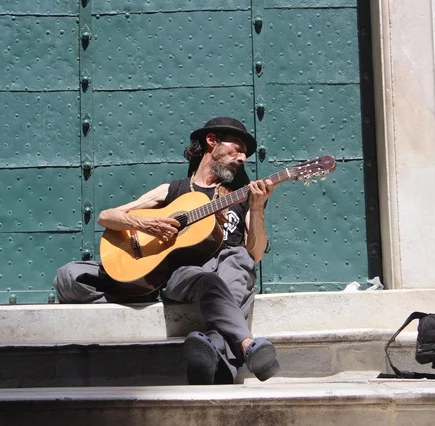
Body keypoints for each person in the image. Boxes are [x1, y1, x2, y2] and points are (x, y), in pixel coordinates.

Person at [54, 117, 281, 384]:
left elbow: (254, 254)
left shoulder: (244, 195)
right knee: (69, 276)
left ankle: (219, 348)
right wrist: (145, 223)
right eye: (237, 148)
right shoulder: (174, 190)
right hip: (177, 274)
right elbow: (106, 216)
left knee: (235, 258)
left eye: (245, 153)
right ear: (212, 142)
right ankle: (240, 346)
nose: (243, 157)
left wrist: (256, 208)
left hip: (224, 271)